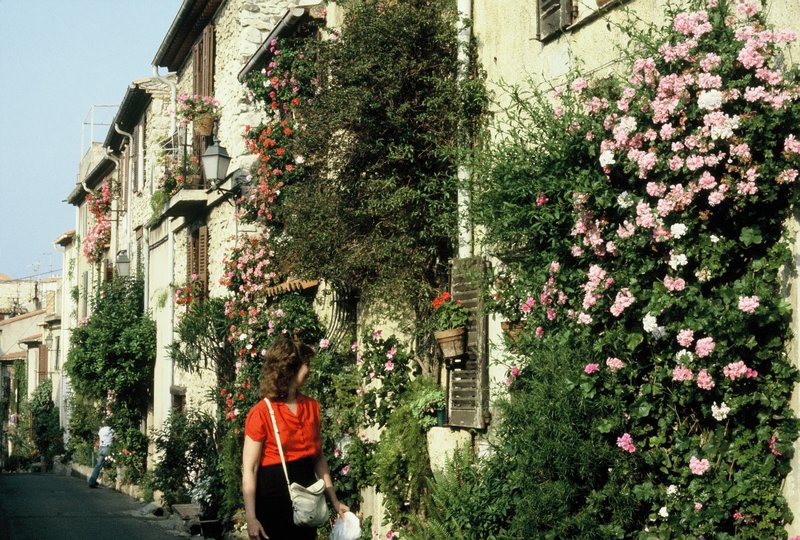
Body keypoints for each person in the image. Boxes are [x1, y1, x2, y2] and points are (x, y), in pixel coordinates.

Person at [242, 338, 349, 539]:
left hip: (308, 500)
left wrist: (334, 501)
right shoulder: (262, 412)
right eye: (305, 364)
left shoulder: (311, 407)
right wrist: (251, 517)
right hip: (272, 501)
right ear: (289, 368)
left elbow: (319, 458)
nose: (309, 369)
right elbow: (250, 468)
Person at [88, 423, 114, 488]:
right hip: (108, 448)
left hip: (101, 448)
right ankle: (113, 479)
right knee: (115, 461)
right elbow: (116, 437)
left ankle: (92, 481)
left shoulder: (101, 430)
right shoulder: (111, 430)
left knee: (98, 465)